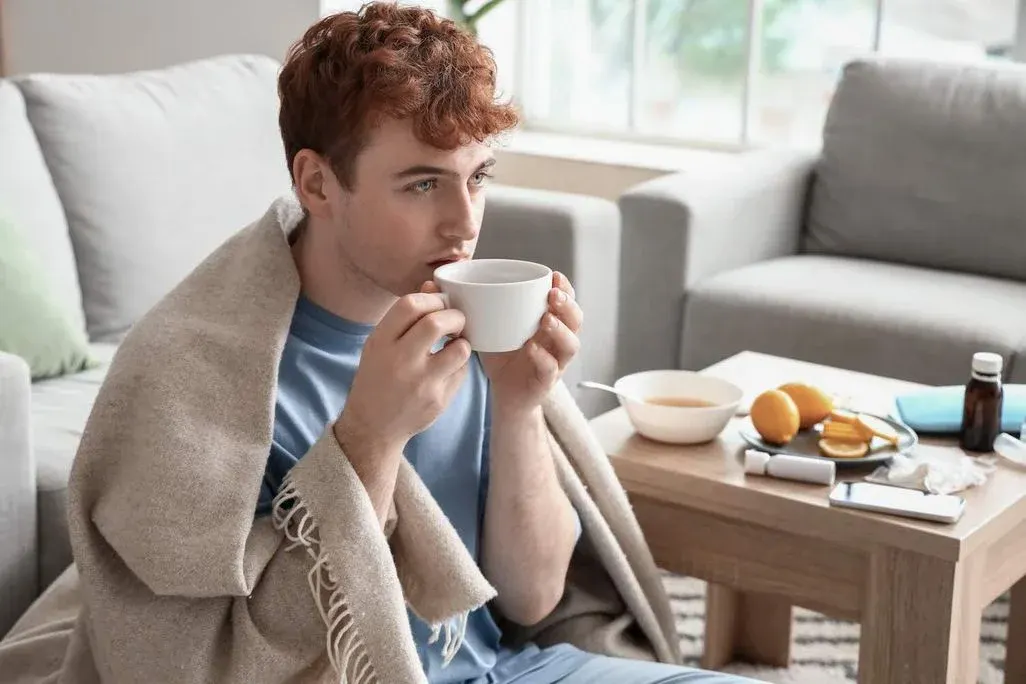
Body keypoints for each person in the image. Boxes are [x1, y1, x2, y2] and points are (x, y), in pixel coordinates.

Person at [0, 3, 763, 683]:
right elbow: (212, 663)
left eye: (479, 177)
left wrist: (523, 405)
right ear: (318, 184)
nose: (465, 223)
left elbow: (533, 597)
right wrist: (368, 439)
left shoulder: (472, 326)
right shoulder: (191, 373)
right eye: (423, 184)